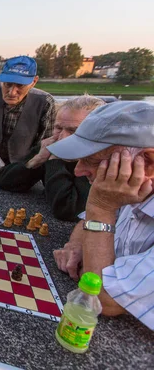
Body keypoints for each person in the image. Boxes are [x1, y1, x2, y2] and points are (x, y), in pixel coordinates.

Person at [49, 101, 154, 330]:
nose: (78, 170)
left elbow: (104, 299)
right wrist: (77, 243)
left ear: (148, 162)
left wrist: (101, 208)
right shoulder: (133, 187)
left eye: (92, 161)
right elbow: (85, 220)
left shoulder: (111, 196)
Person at [0, 95, 104, 221]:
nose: (63, 137)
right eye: (58, 128)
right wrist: (36, 161)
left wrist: (55, 160)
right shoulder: (51, 144)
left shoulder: (98, 159)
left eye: (73, 131)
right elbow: (5, 182)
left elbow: (68, 209)